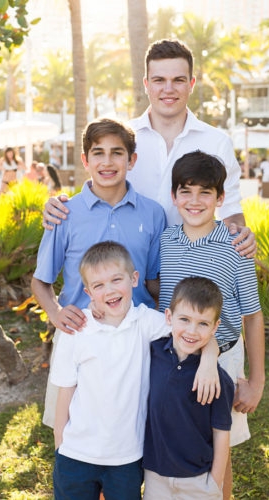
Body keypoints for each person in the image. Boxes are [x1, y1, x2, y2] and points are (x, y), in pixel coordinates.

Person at [32, 118, 218, 428]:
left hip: (138, 339)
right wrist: (55, 311)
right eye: (98, 153)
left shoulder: (153, 213)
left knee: (133, 428)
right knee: (70, 427)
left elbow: (156, 282)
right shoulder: (65, 213)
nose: (107, 162)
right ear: (85, 160)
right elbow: (41, 280)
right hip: (80, 335)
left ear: (131, 160)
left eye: (117, 153)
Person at [42, 39, 256, 258]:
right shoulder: (122, 139)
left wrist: (241, 234)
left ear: (191, 84)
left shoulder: (217, 142)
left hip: (191, 266)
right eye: (159, 80)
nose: (168, 89)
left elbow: (229, 209)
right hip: (129, 269)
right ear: (146, 84)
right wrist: (60, 207)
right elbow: (99, 186)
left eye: (178, 80)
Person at [52, 243, 219, 500]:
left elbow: (192, 333)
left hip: (127, 457)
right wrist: (60, 445)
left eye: (116, 280)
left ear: (134, 279)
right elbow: (65, 394)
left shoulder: (147, 322)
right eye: (99, 286)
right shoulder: (77, 332)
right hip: (76, 454)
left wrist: (209, 359)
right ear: (88, 292)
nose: (109, 291)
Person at [158, 151, 265, 499]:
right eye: (186, 191)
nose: (194, 201)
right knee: (173, 438)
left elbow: (252, 314)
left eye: (206, 192)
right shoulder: (166, 242)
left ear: (220, 198)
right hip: (174, 356)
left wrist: (257, 381)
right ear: (174, 196)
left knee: (219, 448)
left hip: (224, 359)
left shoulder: (236, 246)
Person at [143, 277, 234, 500]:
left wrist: (215, 482)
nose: (192, 331)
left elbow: (221, 434)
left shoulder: (217, 379)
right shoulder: (151, 354)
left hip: (198, 481)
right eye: (184, 319)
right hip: (155, 476)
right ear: (168, 317)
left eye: (203, 323)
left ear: (215, 327)